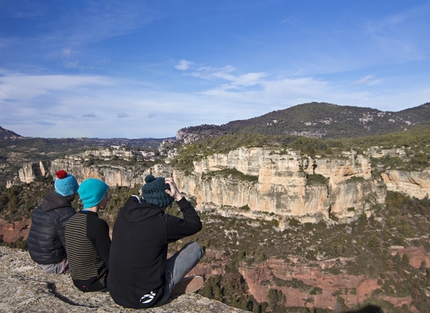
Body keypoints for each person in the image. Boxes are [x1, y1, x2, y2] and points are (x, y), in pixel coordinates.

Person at [107, 174, 203, 308]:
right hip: (148, 298)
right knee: (195, 248)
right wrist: (179, 197)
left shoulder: (124, 212)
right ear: (165, 201)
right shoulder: (162, 223)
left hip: (116, 293)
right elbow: (195, 224)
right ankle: (168, 284)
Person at [28, 169, 79, 274]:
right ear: (70, 193)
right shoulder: (66, 214)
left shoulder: (42, 207)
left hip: (39, 257)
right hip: (55, 263)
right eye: (75, 191)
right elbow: (74, 248)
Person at [65, 177, 111, 292]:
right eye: (105, 195)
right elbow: (109, 258)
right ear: (98, 198)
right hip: (96, 281)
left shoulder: (71, 220)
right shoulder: (97, 224)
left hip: (77, 280)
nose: (108, 198)